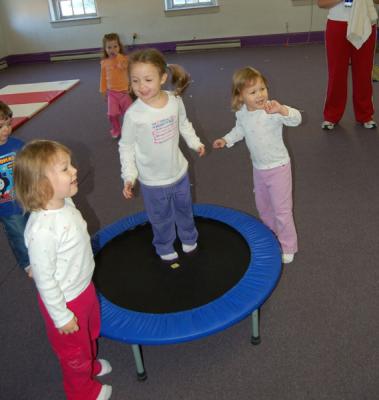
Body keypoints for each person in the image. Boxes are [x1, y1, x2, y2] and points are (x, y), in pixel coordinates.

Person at [14, 140, 112, 400]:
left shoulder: (65, 203)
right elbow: (45, 281)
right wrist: (61, 316)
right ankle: (83, 392)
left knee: (89, 334)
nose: (75, 171)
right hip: (66, 301)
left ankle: (90, 366)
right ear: (42, 186)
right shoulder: (42, 230)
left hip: (84, 288)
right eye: (65, 169)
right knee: (73, 354)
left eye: (70, 166)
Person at [119, 48, 205, 262]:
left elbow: (183, 124)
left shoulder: (174, 100)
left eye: (148, 79)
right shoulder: (134, 115)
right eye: (135, 80)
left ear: (163, 78)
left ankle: (188, 237)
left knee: (184, 209)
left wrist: (194, 142)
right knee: (160, 217)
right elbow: (126, 147)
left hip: (178, 173)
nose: (141, 86)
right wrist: (129, 176)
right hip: (152, 180)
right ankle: (164, 244)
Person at [212, 67, 301, 264]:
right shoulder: (242, 113)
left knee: (282, 210)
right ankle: (271, 237)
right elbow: (239, 130)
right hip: (259, 169)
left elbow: (296, 119)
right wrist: (226, 140)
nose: (260, 95)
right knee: (264, 208)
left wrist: (283, 110)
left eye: (262, 89)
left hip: (279, 168)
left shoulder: (272, 109)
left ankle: (288, 245)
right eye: (253, 92)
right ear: (240, 96)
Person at [317, 0, 379, 131]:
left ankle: (365, 115)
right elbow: (321, 3)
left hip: (365, 23)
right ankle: (331, 116)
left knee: (364, 72)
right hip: (337, 24)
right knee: (336, 73)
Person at [0, 101, 31, 276]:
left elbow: (31, 167)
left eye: (8, 124)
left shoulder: (17, 145)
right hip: (6, 207)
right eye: (0, 126)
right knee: (18, 233)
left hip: (25, 198)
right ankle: (27, 263)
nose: (6, 130)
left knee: (34, 226)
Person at [100, 33, 132, 139]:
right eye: (109, 47)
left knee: (128, 114)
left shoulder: (124, 59)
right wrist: (103, 90)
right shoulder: (104, 62)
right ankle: (116, 129)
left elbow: (127, 68)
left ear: (119, 46)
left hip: (125, 93)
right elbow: (103, 78)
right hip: (112, 93)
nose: (112, 49)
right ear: (105, 49)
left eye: (115, 46)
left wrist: (119, 59)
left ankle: (129, 130)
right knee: (112, 114)